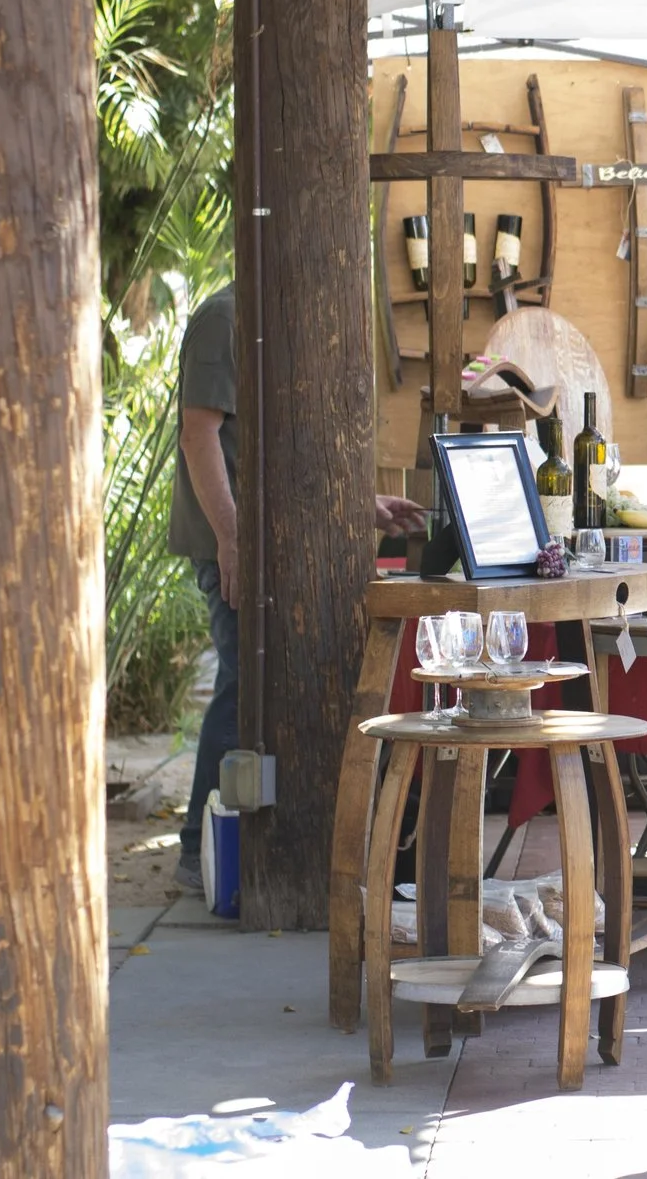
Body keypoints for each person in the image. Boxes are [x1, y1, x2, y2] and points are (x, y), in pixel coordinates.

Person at [171, 282, 426, 895]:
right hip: (232, 546)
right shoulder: (222, 318)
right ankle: (197, 851)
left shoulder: (288, 320)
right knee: (245, 685)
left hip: (282, 545)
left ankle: (256, 850)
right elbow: (199, 435)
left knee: (268, 688)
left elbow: (284, 450)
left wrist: (359, 504)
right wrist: (233, 537)